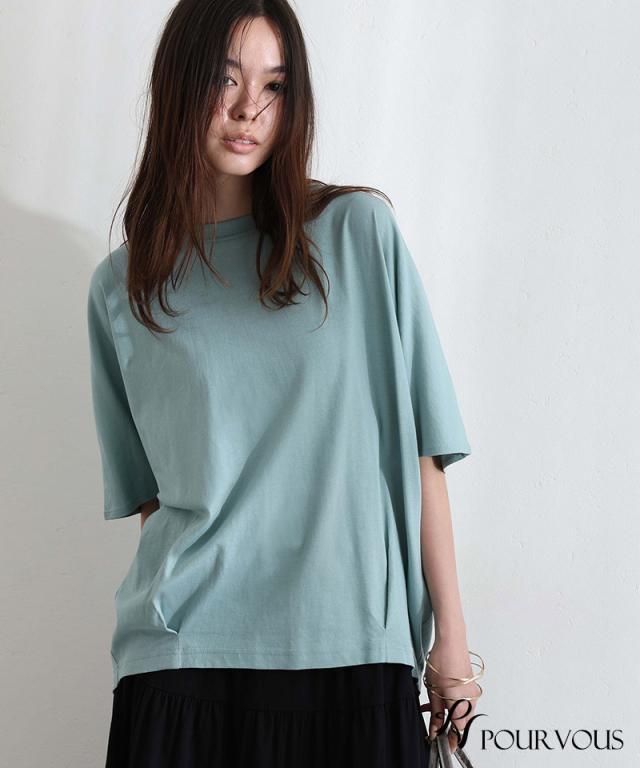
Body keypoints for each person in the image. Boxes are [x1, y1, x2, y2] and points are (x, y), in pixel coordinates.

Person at [86, 1, 483, 765]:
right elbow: (153, 501)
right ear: (178, 85)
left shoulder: (358, 234)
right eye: (224, 79)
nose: (249, 110)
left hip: (355, 649)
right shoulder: (123, 286)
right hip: (183, 663)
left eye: (274, 85)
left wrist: (452, 649)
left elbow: (422, 454)